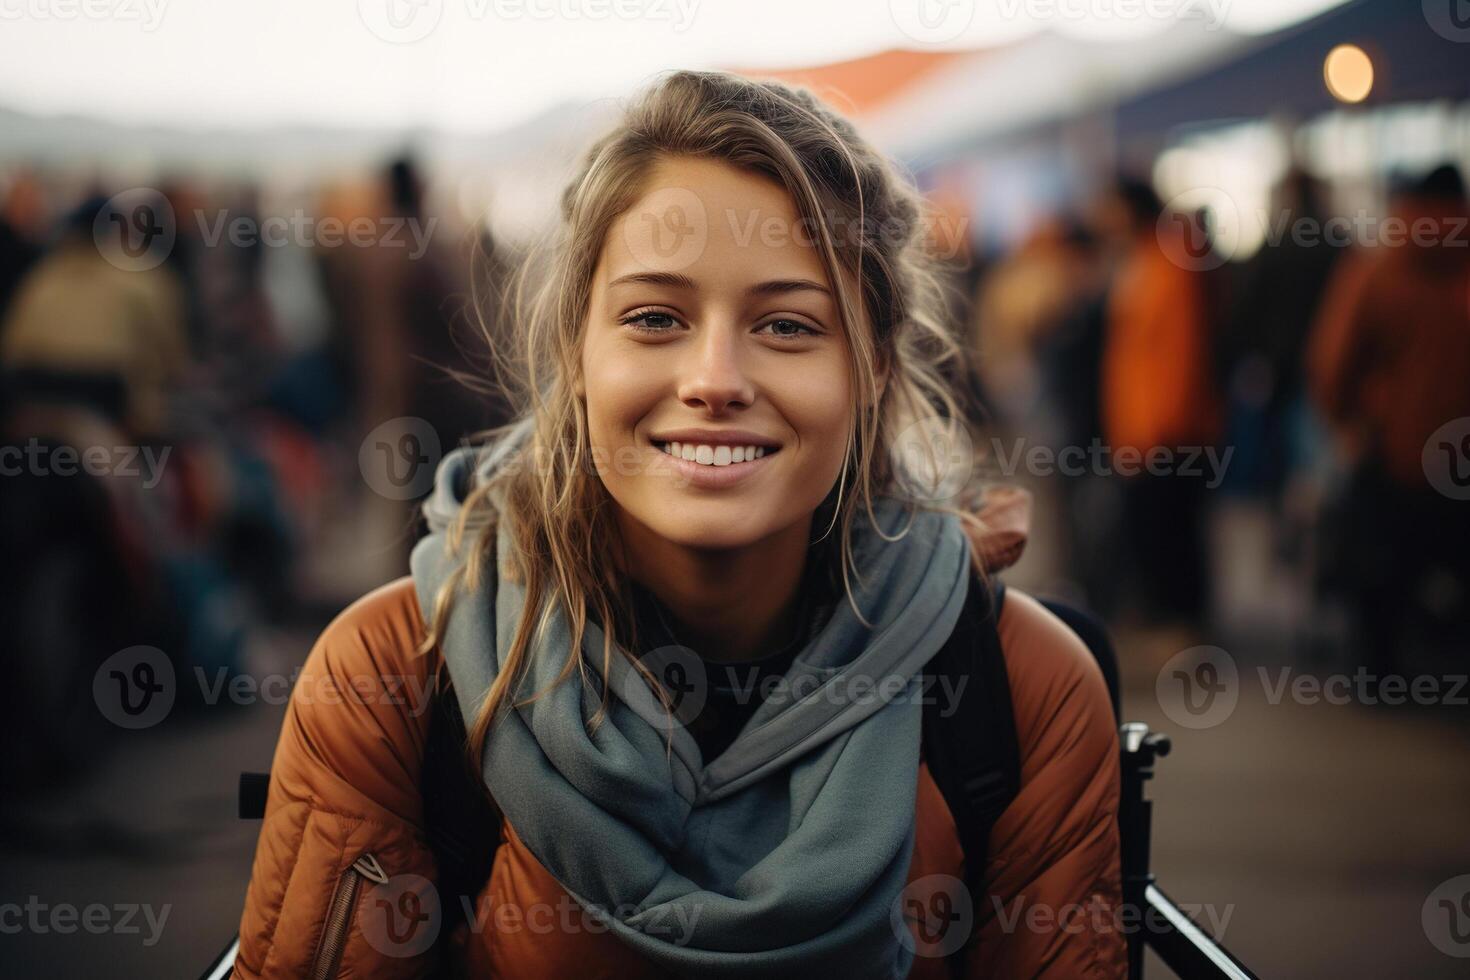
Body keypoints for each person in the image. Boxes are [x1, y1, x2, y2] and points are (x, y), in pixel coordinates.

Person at [231, 71, 1124, 978]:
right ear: (577, 356)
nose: (714, 378)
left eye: (787, 326)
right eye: (654, 318)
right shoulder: (390, 679)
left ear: (876, 371)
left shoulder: (1022, 686)